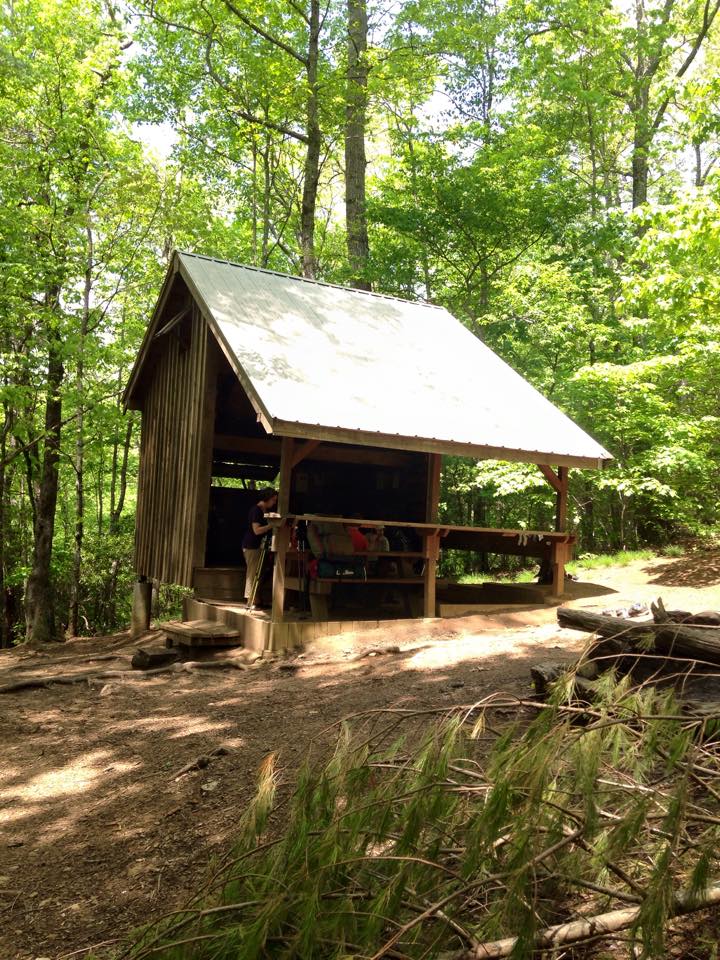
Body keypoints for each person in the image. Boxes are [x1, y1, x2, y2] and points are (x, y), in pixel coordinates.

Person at [242, 487, 278, 602]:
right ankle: (250, 600)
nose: (274, 502)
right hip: (251, 546)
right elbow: (256, 530)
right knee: (252, 573)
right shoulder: (256, 510)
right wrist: (272, 525)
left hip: (258, 546)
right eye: (273, 500)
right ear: (267, 498)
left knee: (259, 573)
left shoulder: (264, 511)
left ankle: (256, 599)